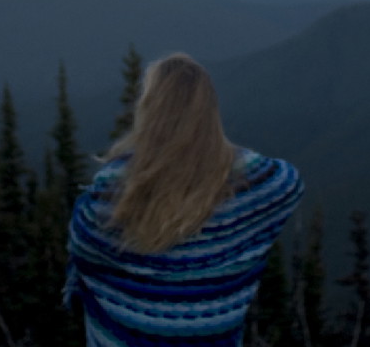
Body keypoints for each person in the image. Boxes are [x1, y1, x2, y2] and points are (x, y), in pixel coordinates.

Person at [65, 52, 304, 346]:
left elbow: (83, 258)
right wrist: (225, 158)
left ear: (148, 112)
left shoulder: (105, 201)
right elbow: (289, 181)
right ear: (209, 112)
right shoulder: (254, 193)